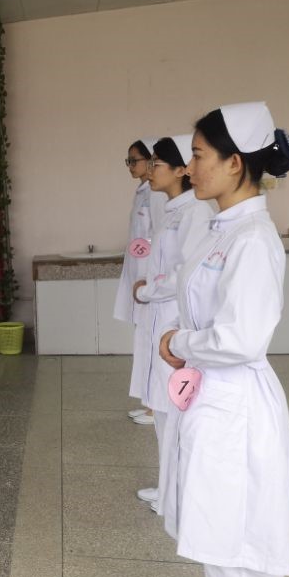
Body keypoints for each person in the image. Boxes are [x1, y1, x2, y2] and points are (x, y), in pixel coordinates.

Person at [157, 102, 289, 577]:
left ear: (235, 162)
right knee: (219, 527)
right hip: (212, 398)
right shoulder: (222, 229)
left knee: (247, 541)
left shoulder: (253, 239)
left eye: (198, 156)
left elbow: (241, 339)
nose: (190, 168)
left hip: (239, 405)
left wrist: (179, 343)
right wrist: (184, 339)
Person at [128, 135, 213, 514]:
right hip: (158, 319)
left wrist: (148, 291)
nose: (149, 170)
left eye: (157, 163)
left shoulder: (196, 212)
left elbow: (185, 273)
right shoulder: (173, 210)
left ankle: (178, 493)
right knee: (163, 411)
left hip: (172, 323)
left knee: (175, 412)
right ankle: (169, 489)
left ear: (180, 170)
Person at [113, 136, 168, 425]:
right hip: (141, 279)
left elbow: (158, 238)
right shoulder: (143, 191)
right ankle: (150, 403)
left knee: (153, 340)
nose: (130, 166)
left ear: (151, 161)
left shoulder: (157, 195)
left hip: (151, 281)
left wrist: (149, 280)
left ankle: (156, 407)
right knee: (144, 340)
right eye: (128, 161)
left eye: (134, 160)